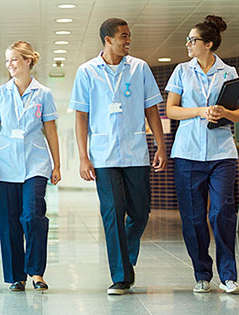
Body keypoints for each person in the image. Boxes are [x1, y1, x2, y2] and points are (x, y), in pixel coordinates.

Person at [70, 18, 167, 295]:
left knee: (140, 213)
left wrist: (160, 146)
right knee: (112, 213)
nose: (128, 41)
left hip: (136, 153)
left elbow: (152, 109)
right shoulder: (87, 71)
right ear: (108, 39)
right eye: (123, 36)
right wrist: (83, 157)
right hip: (103, 156)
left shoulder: (140, 68)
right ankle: (121, 275)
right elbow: (81, 116)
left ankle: (123, 257)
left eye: (129, 36)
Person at [165, 15, 239, 294]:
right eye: (188, 39)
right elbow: (171, 110)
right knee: (194, 217)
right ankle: (202, 273)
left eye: (193, 40)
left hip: (222, 153)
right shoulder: (181, 71)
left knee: (222, 211)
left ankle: (228, 275)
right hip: (188, 153)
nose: (187, 44)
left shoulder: (229, 72)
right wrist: (200, 111)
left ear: (208, 44)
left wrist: (224, 112)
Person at [0, 41, 61, 292]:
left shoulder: (44, 94)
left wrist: (56, 164)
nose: (10, 65)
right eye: (7, 61)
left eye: (14, 60)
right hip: (6, 165)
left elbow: (50, 129)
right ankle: (16, 276)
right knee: (8, 222)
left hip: (35, 164)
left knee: (32, 215)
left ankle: (36, 271)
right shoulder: (0, 94)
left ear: (28, 61)